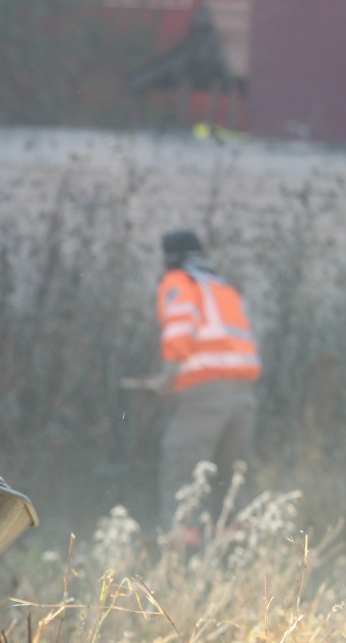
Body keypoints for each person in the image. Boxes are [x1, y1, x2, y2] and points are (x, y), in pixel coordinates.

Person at [123, 230, 261, 546]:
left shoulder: (179, 283)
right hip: (243, 393)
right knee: (234, 471)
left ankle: (182, 541)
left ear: (168, 258)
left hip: (204, 392)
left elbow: (179, 331)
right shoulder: (225, 289)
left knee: (182, 463)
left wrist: (169, 380)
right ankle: (235, 543)